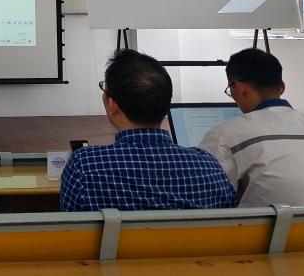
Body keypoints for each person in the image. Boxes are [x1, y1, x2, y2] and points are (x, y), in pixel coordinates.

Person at [60, 49, 236, 212]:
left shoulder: (84, 166)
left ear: (112, 105)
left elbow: (68, 227)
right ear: (166, 102)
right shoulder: (210, 167)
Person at [198, 48, 304, 207]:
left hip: (273, 226)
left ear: (240, 89)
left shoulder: (224, 135)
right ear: (282, 87)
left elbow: (205, 196)